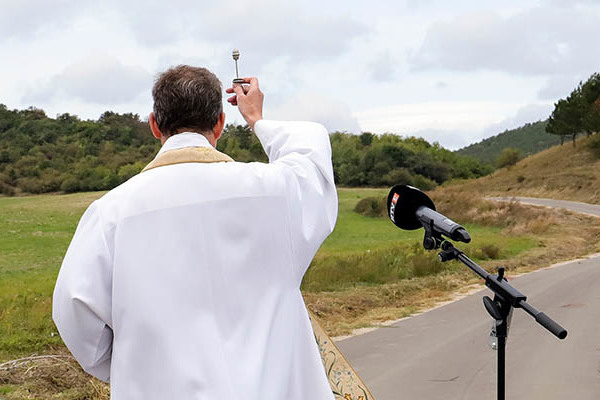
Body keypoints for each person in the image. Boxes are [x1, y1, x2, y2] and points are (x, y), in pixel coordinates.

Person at [52, 65, 338, 399]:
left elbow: (74, 314)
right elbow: (310, 152)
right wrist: (257, 118)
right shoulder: (275, 192)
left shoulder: (110, 214)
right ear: (219, 122)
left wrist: (135, 364)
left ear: (155, 125)